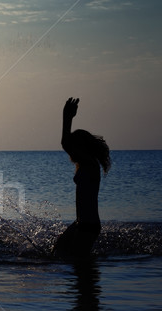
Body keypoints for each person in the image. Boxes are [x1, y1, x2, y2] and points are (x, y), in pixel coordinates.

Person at [53, 97, 111, 259]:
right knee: (57, 250)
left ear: (81, 147)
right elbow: (67, 144)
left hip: (88, 225)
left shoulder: (90, 164)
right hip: (81, 223)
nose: (71, 151)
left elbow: (65, 143)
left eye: (74, 146)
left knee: (80, 266)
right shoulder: (85, 165)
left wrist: (66, 117)